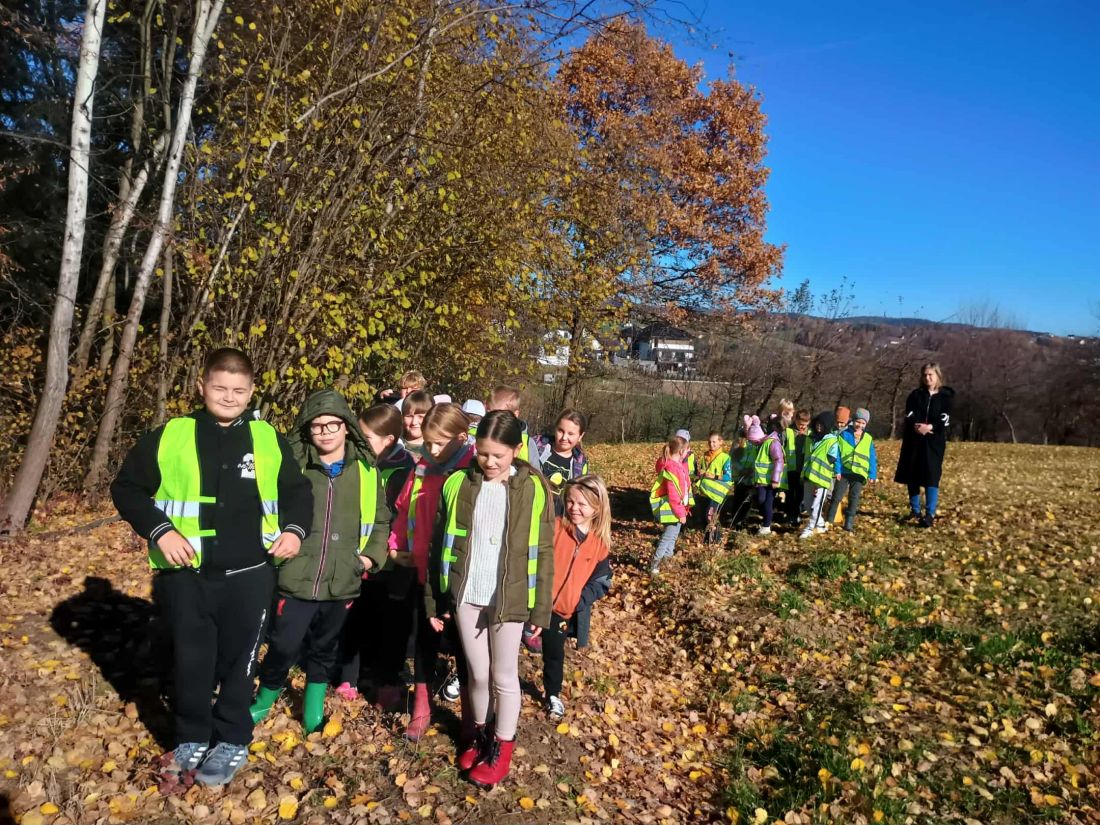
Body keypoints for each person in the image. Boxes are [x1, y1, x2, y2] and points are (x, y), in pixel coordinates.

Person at [110, 348, 313, 789]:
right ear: (201, 386)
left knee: (240, 663)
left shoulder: (268, 439)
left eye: (239, 390)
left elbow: (297, 492)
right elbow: (127, 488)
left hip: (251, 575)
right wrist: (161, 531)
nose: (229, 397)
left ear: (252, 392)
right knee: (192, 659)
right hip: (187, 576)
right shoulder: (171, 435)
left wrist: (295, 531)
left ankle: (233, 738)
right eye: (220, 388)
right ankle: (191, 736)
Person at [249, 390, 392, 731]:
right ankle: (265, 698)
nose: (325, 432)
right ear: (307, 429)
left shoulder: (366, 471)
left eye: (332, 424)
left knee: (326, 646)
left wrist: (368, 559)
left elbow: (380, 520)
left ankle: (312, 706)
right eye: (317, 426)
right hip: (296, 573)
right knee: (283, 644)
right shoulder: (294, 466)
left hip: (343, 578)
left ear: (346, 427)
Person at [428, 410, 555, 788]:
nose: (490, 461)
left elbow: (543, 550)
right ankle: (480, 736)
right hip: (467, 595)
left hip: (510, 598)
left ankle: (502, 747)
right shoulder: (457, 484)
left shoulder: (532, 489)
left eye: (498, 455)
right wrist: (435, 599)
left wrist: (541, 609)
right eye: (482, 453)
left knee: (503, 676)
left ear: (516, 450)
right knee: (478, 673)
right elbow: (439, 544)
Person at [388, 403, 476, 740]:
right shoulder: (423, 467)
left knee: (464, 649)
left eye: (440, 443)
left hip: (459, 575)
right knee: (424, 641)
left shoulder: (472, 470)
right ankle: (421, 709)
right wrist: (396, 544)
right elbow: (404, 509)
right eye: (428, 443)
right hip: (422, 570)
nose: (433, 450)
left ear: (461, 438)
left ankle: (470, 716)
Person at [333, 404, 416, 705]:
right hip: (357, 555)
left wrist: (391, 548)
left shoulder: (405, 469)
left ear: (389, 440)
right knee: (353, 617)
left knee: (391, 623)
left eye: (366, 437)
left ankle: (387, 679)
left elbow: (400, 514)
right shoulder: (353, 462)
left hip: (391, 559)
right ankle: (348, 676)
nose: (358, 441)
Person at [541, 475, 612, 721]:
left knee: (554, 654)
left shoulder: (599, 545)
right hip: (533, 602)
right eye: (570, 501)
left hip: (561, 611)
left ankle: (552, 694)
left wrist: (577, 601)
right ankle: (471, 677)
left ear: (597, 508)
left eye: (582, 504)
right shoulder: (554, 527)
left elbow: (601, 582)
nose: (574, 508)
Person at [894, 363, 955, 528]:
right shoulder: (916, 395)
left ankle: (929, 514)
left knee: (931, 476)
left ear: (937, 376)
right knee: (912, 474)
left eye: (930, 375)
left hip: (934, 442)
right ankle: (915, 510)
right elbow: (909, 413)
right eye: (925, 375)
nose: (927, 378)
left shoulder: (945, 397)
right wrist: (916, 426)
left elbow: (945, 418)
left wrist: (930, 427)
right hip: (914, 440)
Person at [824, 408, 878, 532]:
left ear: (866, 424)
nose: (860, 425)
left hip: (859, 474)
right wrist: (837, 470)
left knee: (854, 498)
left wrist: (872, 474)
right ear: (853, 421)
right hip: (844, 471)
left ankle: (848, 522)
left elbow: (872, 457)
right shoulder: (844, 434)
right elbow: (837, 454)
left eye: (863, 423)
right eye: (858, 422)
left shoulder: (868, 438)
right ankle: (829, 520)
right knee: (836, 496)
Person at [649, 434, 691, 574]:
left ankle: (667, 561)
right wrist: (681, 514)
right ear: (681, 451)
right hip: (673, 511)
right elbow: (674, 496)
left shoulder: (677, 466)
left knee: (672, 536)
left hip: (677, 509)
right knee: (667, 537)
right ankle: (654, 565)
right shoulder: (673, 469)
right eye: (687, 450)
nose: (688, 452)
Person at [533, 408, 591, 509]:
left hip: (558, 515)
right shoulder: (537, 447)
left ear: (580, 436)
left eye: (570, 434)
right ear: (555, 428)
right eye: (560, 431)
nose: (564, 437)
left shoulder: (580, 464)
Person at [485, 385, 541, 472]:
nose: (493, 420)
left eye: (500, 416)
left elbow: (536, 474)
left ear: (515, 415)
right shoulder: (481, 437)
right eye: (489, 414)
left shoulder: (527, 443)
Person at [727, 415, 765, 529]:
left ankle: (743, 520)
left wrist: (752, 470)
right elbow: (733, 457)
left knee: (747, 498)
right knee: (738, 497)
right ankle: (735, 518)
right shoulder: (739, 440)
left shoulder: (757, 441)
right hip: (739, 475)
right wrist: (740, 470)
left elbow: (760, 458)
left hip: (751, 476)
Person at [695, 431, 732, 543]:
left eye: (714, 442)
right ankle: (707, 538)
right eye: (709, 442)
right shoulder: (705, 455)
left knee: (710, 515)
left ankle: (716, 539)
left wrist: (713, 476)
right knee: (704, 515)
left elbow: (728, 477)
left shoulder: (725, 457)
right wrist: (700, 473)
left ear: (721, 442)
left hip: (716, 493)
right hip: (705, 491)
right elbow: (701, 471)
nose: (711, 444)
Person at [752, 414, 786, 536]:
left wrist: (775, 479)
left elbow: (779, 460)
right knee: (761, 500)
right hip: (762, 479)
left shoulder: (773, 442)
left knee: (767, 502)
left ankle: (766, 526)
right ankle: (766, 519)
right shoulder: (766, 441)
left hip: (771, 480)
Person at [784, 410, 811, 525]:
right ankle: (790, 515)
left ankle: (796, 514)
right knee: (790, 493)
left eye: (805, 425)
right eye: (800, 424)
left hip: (803, 469)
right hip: (790, 468)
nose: (802, 427)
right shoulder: (788, 431)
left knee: (800, 494)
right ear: (795, 420)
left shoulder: (810, 433)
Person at [400, 389, 434, 460]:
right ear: (402, 417)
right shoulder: (395, 444)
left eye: (421, 417)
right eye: (409, 416)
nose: (414, 422)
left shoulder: (436, 449)